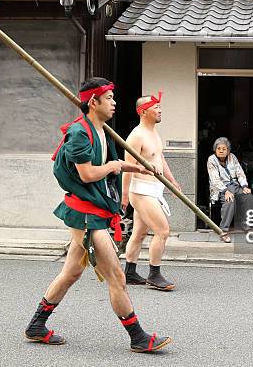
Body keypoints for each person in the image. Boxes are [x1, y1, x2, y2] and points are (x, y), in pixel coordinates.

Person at [24, 77, 172, 353]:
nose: (115, 103)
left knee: (71, 272)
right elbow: (88, 173)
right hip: (85, 215)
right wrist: (116, 165)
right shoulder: (80, 133)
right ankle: (138, 337)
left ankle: (36, 325)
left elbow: (108, 166)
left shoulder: (102, 129)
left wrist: (140, 169)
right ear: (93, 102)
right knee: (117, 276)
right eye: (110, 99)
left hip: (95, 210)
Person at [122, 92, 181, 291]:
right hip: (141, 190)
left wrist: (172, 181)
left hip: (154, 189)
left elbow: (160, 159)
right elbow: (127, 167)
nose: (160, 111)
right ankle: (154, 274)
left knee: (139, 233)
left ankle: (129, 272)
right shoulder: (136, 136)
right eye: (156, 108)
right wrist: (124, 196)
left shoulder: (154, 133)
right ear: (143, 111)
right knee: (163, 231)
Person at [207, 137, 253, 242]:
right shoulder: (211, 160)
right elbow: (215, 179)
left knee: (248, 197)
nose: (221, 151)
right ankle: (223, 230)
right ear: (215, 150)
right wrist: (226, 191)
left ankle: (247, 226)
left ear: (228, 150)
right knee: (229, 200)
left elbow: (240, 172)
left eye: (224, 149)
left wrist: (244, 186)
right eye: (218, 148)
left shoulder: (232, 157)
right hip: (221, 188)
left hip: (236, 186)